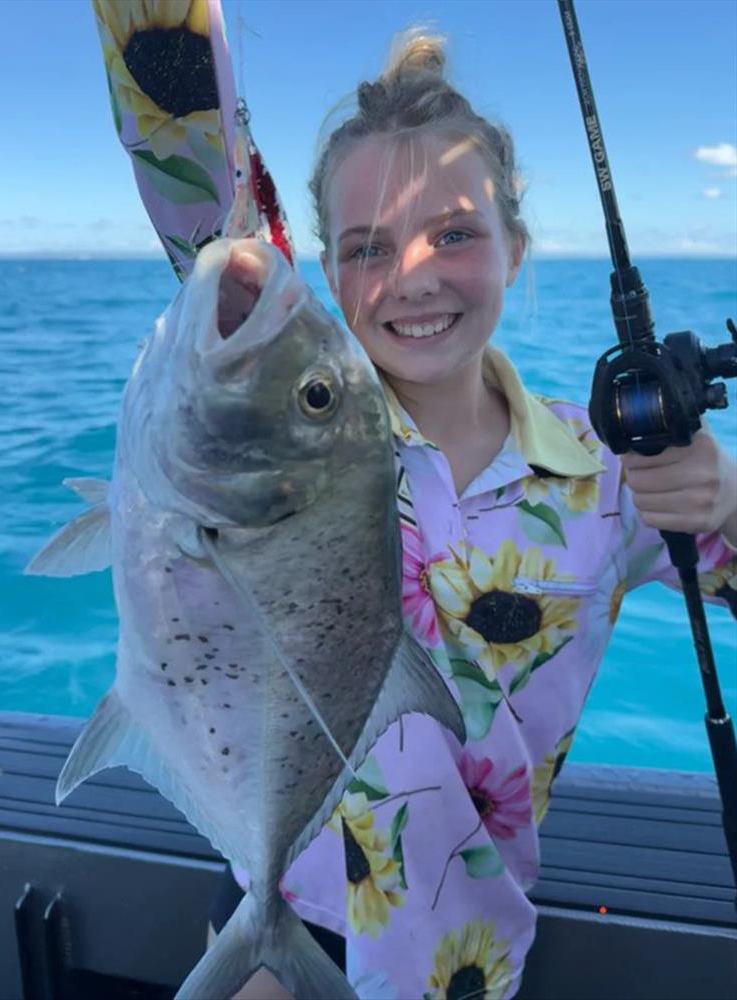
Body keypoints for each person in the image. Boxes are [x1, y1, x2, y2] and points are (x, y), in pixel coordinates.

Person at [92, 6, 737, 997]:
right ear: (326, 278)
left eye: (454, 232)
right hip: (286, 903)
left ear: (515, 249)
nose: (412, 276)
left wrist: (724, 497)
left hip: (468, 956)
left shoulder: (608, 474)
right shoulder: (298, 433)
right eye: (365, 247)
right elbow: (200, 200)